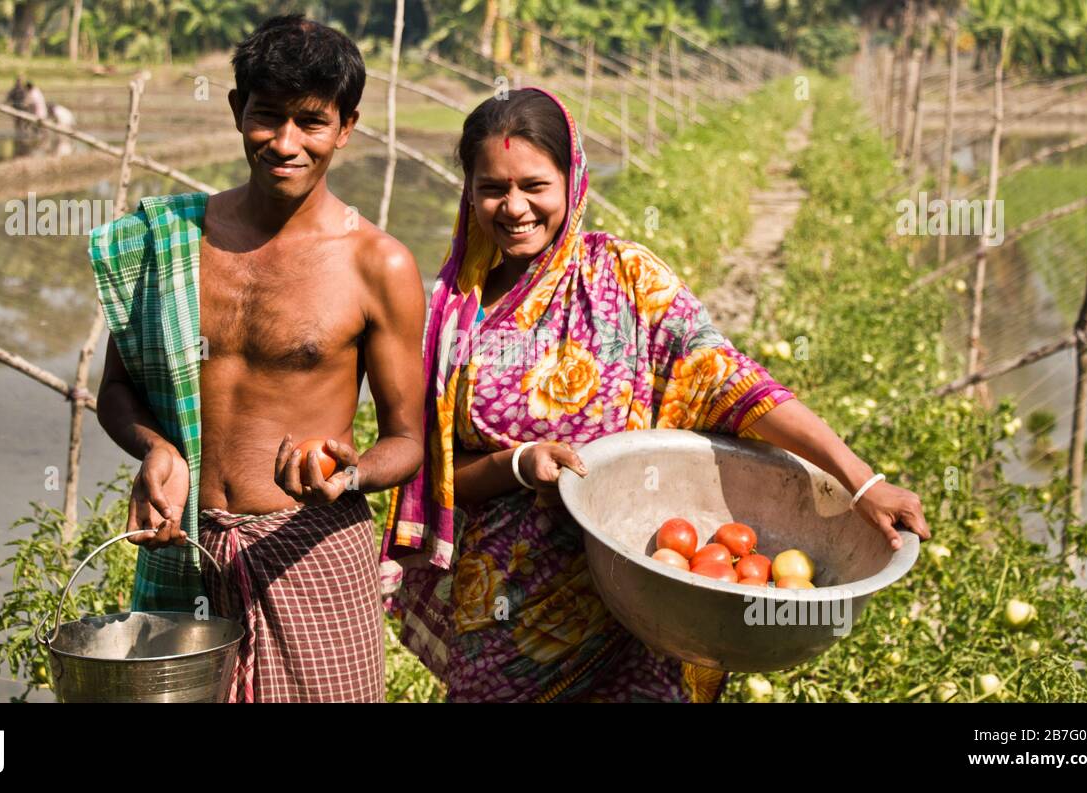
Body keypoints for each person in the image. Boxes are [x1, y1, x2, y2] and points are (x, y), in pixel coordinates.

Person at [380, 88, 932, 702]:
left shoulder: (624, 279)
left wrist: (861, 483)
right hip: (507, 608)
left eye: (534, 185)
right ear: (470, 189)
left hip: (642, 591)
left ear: (572, 179)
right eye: (492, 188)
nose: (513, 208)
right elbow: (439, 477)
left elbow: (736, 384)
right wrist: (520, 463)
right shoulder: (454, 314)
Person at [89, 15, 426, 702]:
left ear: (346, 126)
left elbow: (407, 439)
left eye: (311, 122)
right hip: (184, 548)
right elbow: (116, 391)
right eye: (267, 116)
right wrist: (156, 448)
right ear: (238, 110)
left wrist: (351, 470)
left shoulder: (377, 263)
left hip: (311, 553)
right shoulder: (170, 240)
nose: (286, 143)